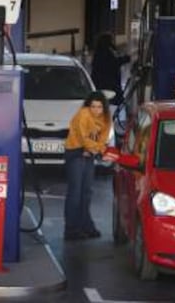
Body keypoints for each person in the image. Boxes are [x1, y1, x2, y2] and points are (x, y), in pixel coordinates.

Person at [64, 91, 112, 240]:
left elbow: (103, 138)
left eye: (99, 107)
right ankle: (71, 229)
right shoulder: (83, 114)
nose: (96, 110)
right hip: (76, 152)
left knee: (86, 192)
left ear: (104, 107)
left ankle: (86, 225)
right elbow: (82, 136)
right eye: (93, 106)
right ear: (88, 106)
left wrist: (96, 149)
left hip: (89, 153)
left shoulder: (106, 118)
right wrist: (96, 149)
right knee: (75, 192)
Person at [91, 32, 130, 106]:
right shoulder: (106, 52)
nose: (113, 42)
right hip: (109, 83)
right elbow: (114, 62)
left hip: (101, 82)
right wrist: (126, 58)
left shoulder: (99, 52)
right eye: (111, 40)